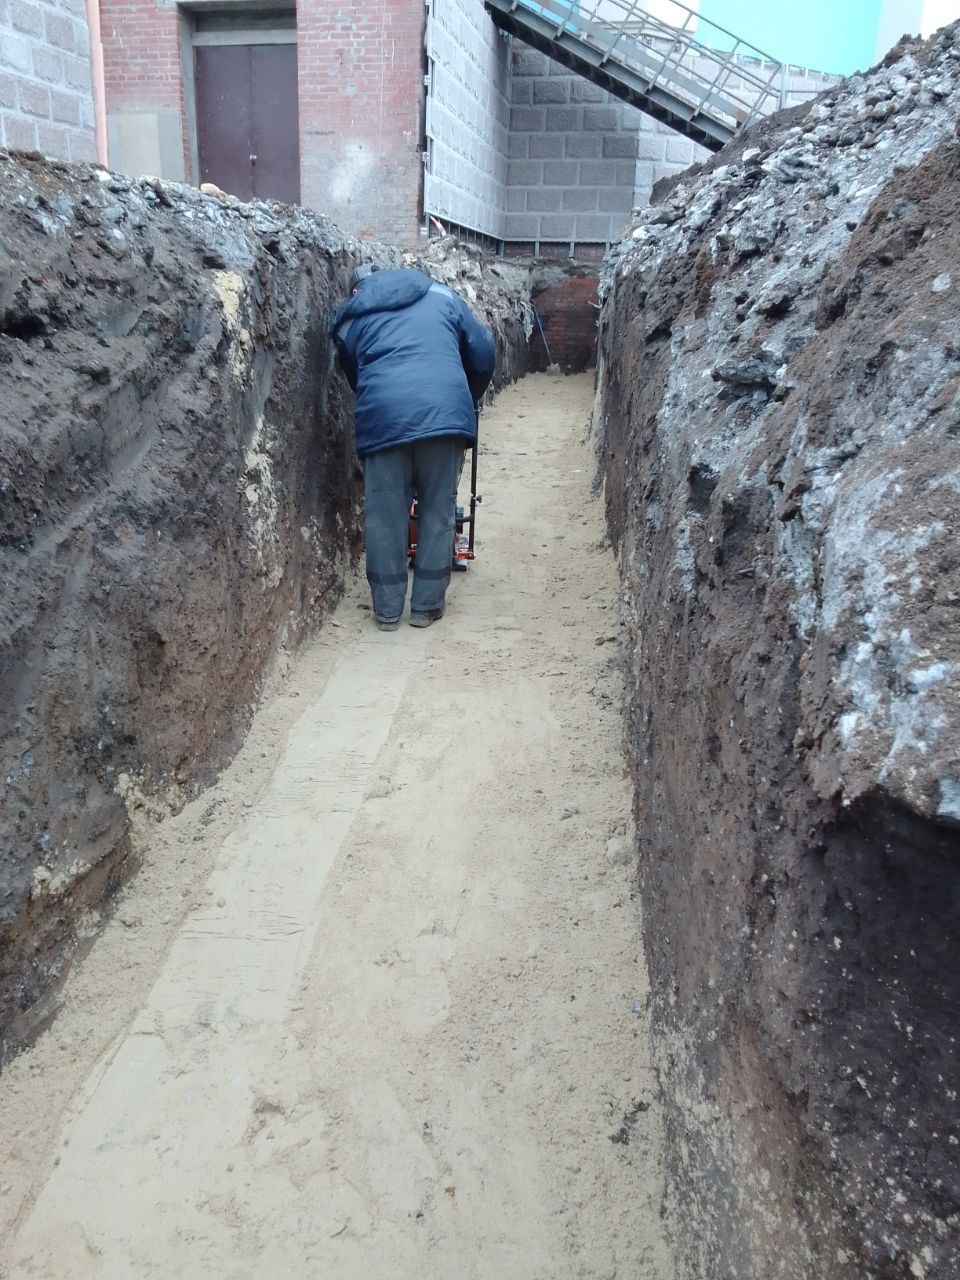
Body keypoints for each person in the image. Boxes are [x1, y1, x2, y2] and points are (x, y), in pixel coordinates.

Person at [330, 264, 496, 630]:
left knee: (385, 516)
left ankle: (388, 611)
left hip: (384, 419)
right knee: (438, 510)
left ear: (359, 289)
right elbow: (483, 353)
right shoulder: (442, 295)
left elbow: (353, 370)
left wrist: (381, 403)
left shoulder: (354, 314)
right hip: (444, 418)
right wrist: (466, 396)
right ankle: (426, 607)